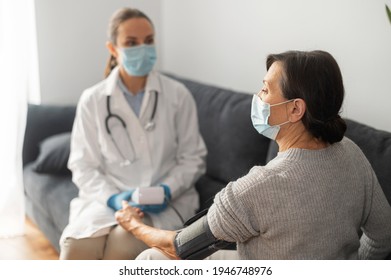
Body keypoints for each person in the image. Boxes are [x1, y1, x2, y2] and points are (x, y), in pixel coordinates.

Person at [115, 50, 391, 260]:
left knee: (151, 258)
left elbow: (180, 248)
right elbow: (383, 236)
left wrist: (133, 224)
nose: (257, 96)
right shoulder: (353, 154)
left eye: (266, 89)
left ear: (296, 110)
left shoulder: (260, 187)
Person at [59, 7, 207, 260]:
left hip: (165, 203)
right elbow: (83, 165)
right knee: (76, 248)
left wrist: (167, 190)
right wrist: (115, 199)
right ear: (113, 49)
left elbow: (193, 158)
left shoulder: (177, 95)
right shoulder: (92, 100)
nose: (143, 48)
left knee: (122, 245)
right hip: (107, 199)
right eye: (131, 42)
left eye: (149, 41)